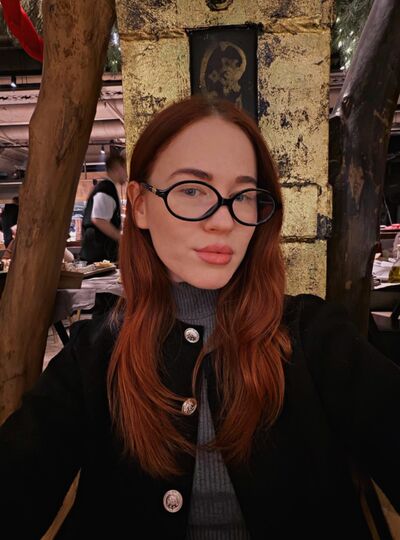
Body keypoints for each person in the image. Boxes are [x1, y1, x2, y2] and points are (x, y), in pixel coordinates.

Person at [0, 96, 399, 540]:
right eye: (192, 190)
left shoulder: (314, 337)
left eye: (244, 196)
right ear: (141, 204)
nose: (223, 221)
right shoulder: (97, 353)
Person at [79, 154, 127, 263]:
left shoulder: (107, 188)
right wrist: (120, 237)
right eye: (125, 169)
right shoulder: (106, 189)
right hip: (98, 257)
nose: (126, 174)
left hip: (98, 256)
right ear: (118, 168)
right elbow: (99, 219)